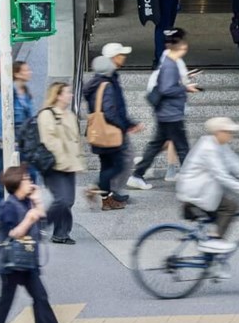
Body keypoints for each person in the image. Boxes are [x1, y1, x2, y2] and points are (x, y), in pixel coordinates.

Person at [0, 164, 69, 323]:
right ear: (17, 183)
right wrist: (28, 219)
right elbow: (11, 233)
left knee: (40, 296)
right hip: (11, 264)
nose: (30, 182)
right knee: (5, 302)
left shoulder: (26, 202)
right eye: (26, 179)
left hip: (26, 262)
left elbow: (42, 220)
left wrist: (37, 201)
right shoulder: (8, 206)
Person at [177, 117, 239, 254]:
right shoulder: (209, 148)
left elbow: (234, 162)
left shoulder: (219, 144)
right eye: (228, 132)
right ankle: (214, 241)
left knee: (220, 215)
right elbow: (222, 175)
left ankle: (212, 254)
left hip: (203, 190)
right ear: (218, 132)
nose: (231, 135)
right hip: (195, 192)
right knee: (230, 207)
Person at [127, 30, 197, 190]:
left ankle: (138, 174)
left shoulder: (168, 62)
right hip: (171, 113)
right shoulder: (170, 65)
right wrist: (185, 88)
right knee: (182, 147)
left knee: (157, 145)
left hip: (166, 113)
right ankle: (191, 180)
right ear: (181, 48)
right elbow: (166, 89)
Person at [0, 61, 36, 226]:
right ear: (17, 73)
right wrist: (6, 142)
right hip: (10, 143)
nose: (29, 71)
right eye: (26, 69)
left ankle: (29, 213)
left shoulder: (25, 92)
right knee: (2, 177)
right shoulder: (7, 93)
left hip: (25, 142)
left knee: (31, 175)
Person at [38, 82, 85, 244]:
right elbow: (49, 140)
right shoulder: (46, 115)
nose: (70, 95)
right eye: (67, 93)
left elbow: (75, 140)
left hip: (69, 164)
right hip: (54, 165)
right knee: (62, 199)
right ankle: (41, 224)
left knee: (69, 201)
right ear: (57, 95)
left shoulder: (70, 115)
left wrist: (77, 160)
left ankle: (61, 233)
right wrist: (63, 159)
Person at [83, 56, 130, 211]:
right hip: (108, 133)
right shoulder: (106, 85)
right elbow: (109, 112)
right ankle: (97, 190)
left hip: (97, 132)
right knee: (118, 165)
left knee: (106, 165)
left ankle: (106, 200)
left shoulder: (92, 85)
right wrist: (122, 126)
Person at [102, 43, 142, 203]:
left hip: (117, 126)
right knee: (123, 159)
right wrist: (125, 125)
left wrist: (128, 123)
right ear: (113, 58)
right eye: (120, 54)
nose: (123, 57)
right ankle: (107, 190)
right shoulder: (107, 79)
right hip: (113, 128)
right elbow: (111, 108)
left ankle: (109, 191)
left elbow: (117, 106)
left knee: (121, 160)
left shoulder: (112, 76)